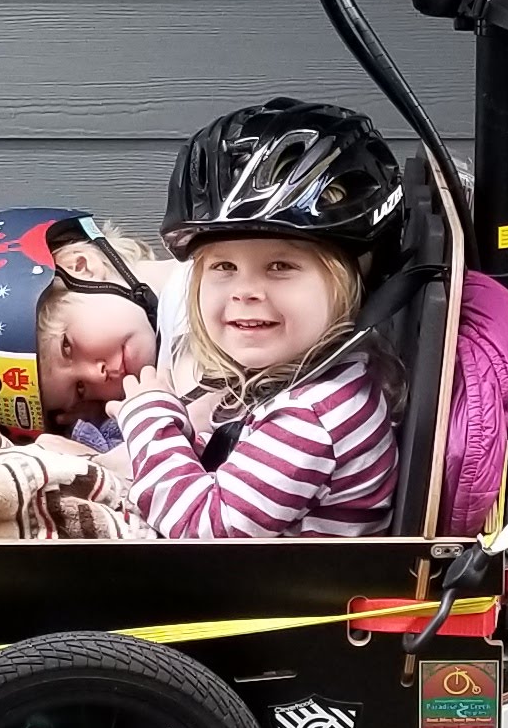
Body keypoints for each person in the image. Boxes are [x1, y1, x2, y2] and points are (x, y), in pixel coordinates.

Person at [107, 104, 406, 538]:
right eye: (223, 267)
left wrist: (149, 420)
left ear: (353, 281)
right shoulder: (315, 382)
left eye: (281, 266)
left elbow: (200, 531)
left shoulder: (314, 417)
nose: (244, 291)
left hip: (259, 601)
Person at [0, 209, 169, 444]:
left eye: (67, 347)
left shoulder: (198, 294)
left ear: (79, 266)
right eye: (81, 389)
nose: (97, 375)